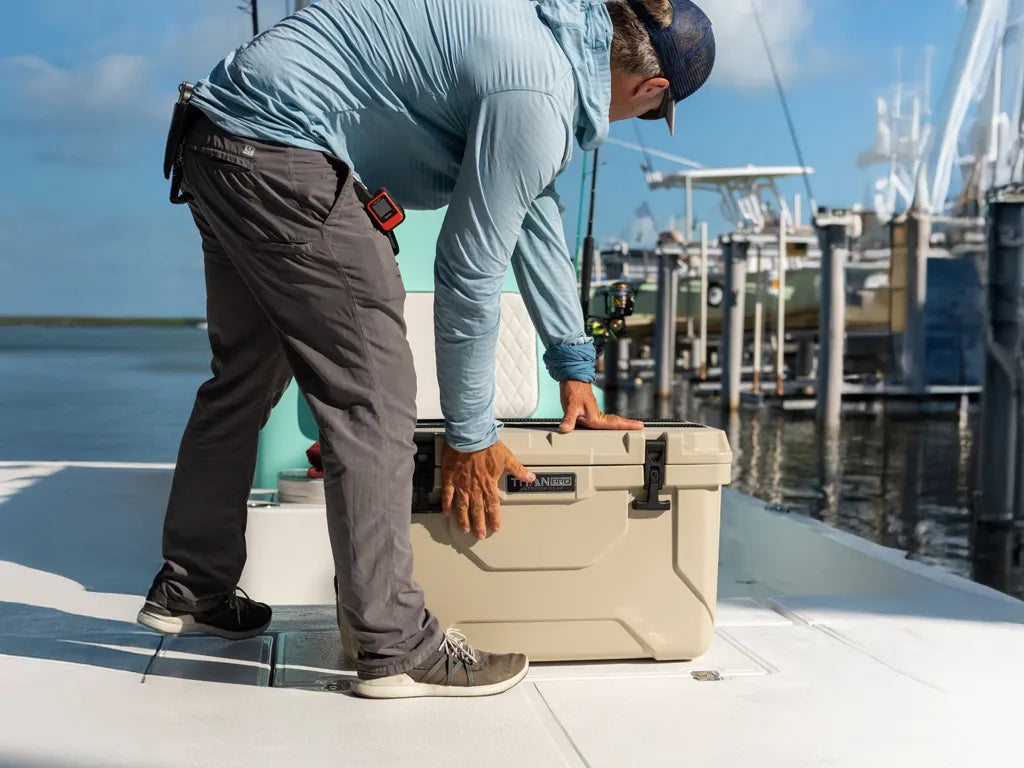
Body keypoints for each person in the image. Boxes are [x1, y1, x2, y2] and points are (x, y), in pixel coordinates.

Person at [137, 0, 715, 699]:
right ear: (653, 90)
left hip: (215, 134)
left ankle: (193, 588)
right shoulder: (539, 91)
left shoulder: (538, 43)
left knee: (244, 376)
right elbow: (468, 270)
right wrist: (471, 437)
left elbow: (534, 212)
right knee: (374, 397)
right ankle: (396, 646)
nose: (634, 120)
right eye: (651, 113)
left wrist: (573, 367)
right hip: (285, 150)